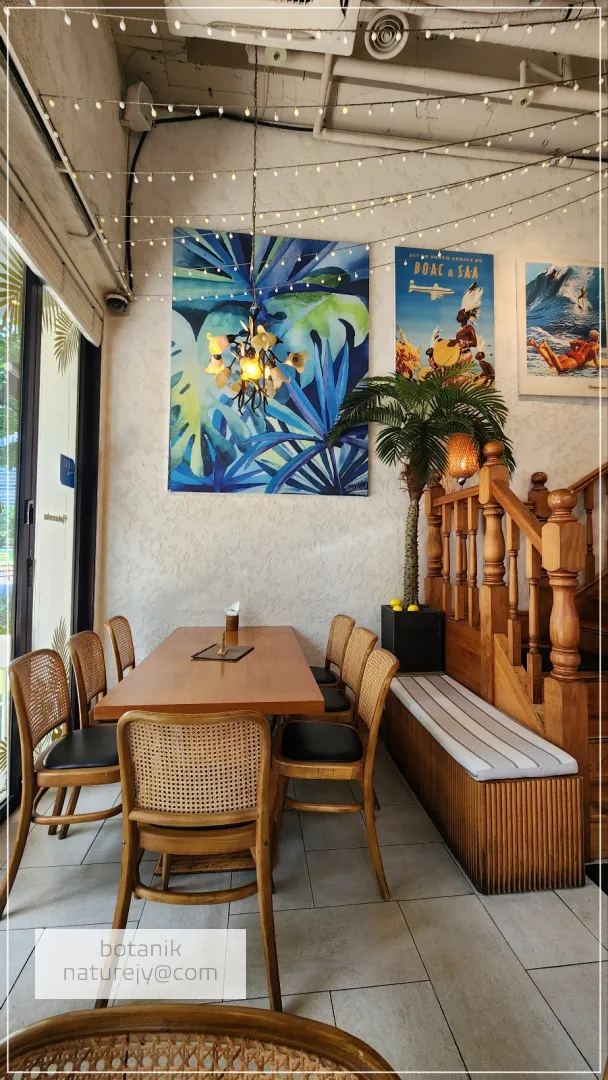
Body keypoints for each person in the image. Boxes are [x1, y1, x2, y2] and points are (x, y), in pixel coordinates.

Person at [528, 329, 600, 373]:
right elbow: (593, 349)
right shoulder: (596, 345)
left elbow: (572, 343)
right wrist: (597, 366)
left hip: (570, 354)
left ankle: (534, 344)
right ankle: (546, 346)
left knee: (552, 364)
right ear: (597, 337)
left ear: (590, 336)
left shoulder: (583, 341)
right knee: (560, 369)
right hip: (576, 360)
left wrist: (575, 353)